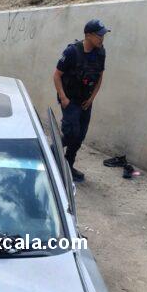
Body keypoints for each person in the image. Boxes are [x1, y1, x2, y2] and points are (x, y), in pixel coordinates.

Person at [52, 19, 110, 182]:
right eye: (99, 35)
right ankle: (53, 152)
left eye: (103, 35)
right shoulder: (72, 52)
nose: (102, 39)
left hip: (86, 101)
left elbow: (99, 77)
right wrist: (63, 98)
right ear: (89, 35)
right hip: (70, 100)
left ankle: (67, 165)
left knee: (80, 136)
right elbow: (57, 75)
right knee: (72, 133)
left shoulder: (101, 52)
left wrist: (92, 98)